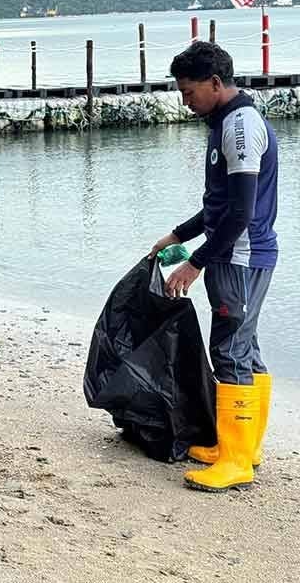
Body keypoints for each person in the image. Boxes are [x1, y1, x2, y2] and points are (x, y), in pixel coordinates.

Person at [150, 41, 278, 493]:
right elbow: (218, 205)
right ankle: (242, 445)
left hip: (239, 256)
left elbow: (240, 212)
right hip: (234, 253)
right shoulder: (224, 121)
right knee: (243, 344)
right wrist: (178, 237)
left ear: (215, 83)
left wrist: (195, 264)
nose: (185, 102)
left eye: (188, 92)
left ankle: (237, 461)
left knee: (229, 349)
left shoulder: (240, 126)